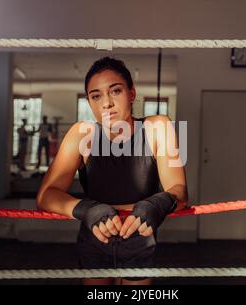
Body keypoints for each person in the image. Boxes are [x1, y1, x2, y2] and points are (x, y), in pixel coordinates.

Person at [36, 57, 188, 285]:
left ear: (132, 93)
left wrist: (156, 204)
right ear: (89, 102)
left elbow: (180, 192)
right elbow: (45, 196)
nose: (106, 103)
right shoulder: (81, 134)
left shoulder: (158, 128)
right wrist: (87, 210)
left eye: (115, 91)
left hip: (140, 236)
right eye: (96, 96)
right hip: (95, 236)